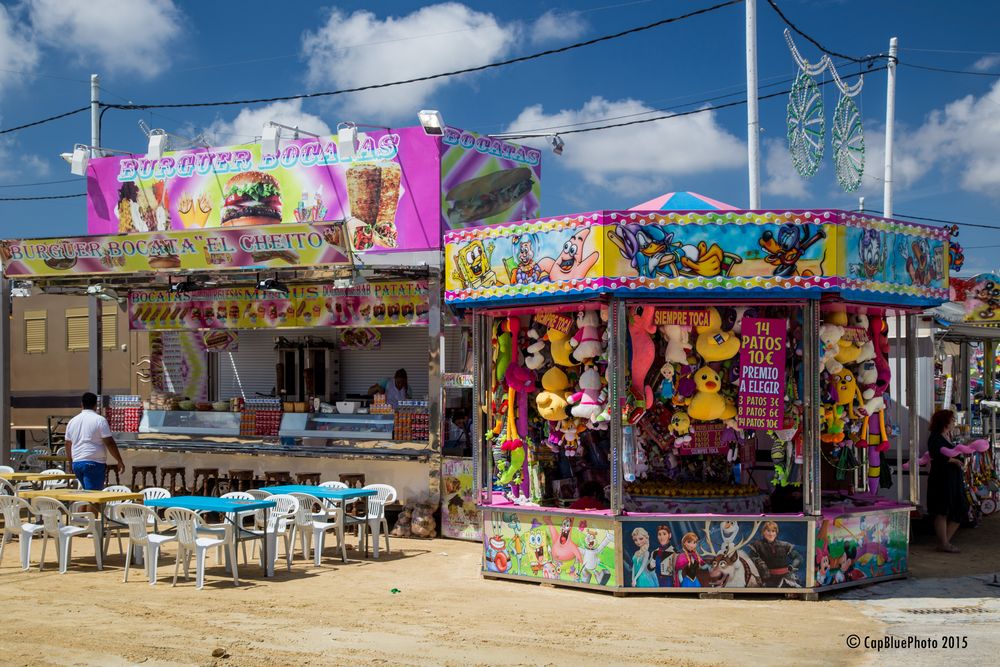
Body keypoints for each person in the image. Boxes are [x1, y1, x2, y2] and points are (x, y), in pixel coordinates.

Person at [926, 409, 969, 553]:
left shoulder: (947, 436)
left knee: (961, 508)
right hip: (942, 478)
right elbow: (936, 455)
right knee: (941, 510)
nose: (954, 422)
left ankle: (945, 542)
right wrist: (953, 460)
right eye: (952, 420)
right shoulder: (935, 437)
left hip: (952, 478)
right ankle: (944, 543)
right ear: (945, 422)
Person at [65, 392, 125, 491]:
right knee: (93, 499)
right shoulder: (99, 420)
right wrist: (119, 460)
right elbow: (109, 443)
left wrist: (70, 462)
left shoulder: (72, 421)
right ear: (95, 405)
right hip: (94, 463)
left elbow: (68, 443)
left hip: (77, 463)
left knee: (85, 497)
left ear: (82, 404)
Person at [746, 521, 803, 587]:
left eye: (773, 531)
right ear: (763, 532)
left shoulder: (784, 545)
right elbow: (751, 557)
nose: (771, 534)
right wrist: (761, 565)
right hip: (766, 580)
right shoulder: (757, 545)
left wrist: (792, 566)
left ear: (776, 533)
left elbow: (799, 557)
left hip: (786, 578)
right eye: (768, 531)